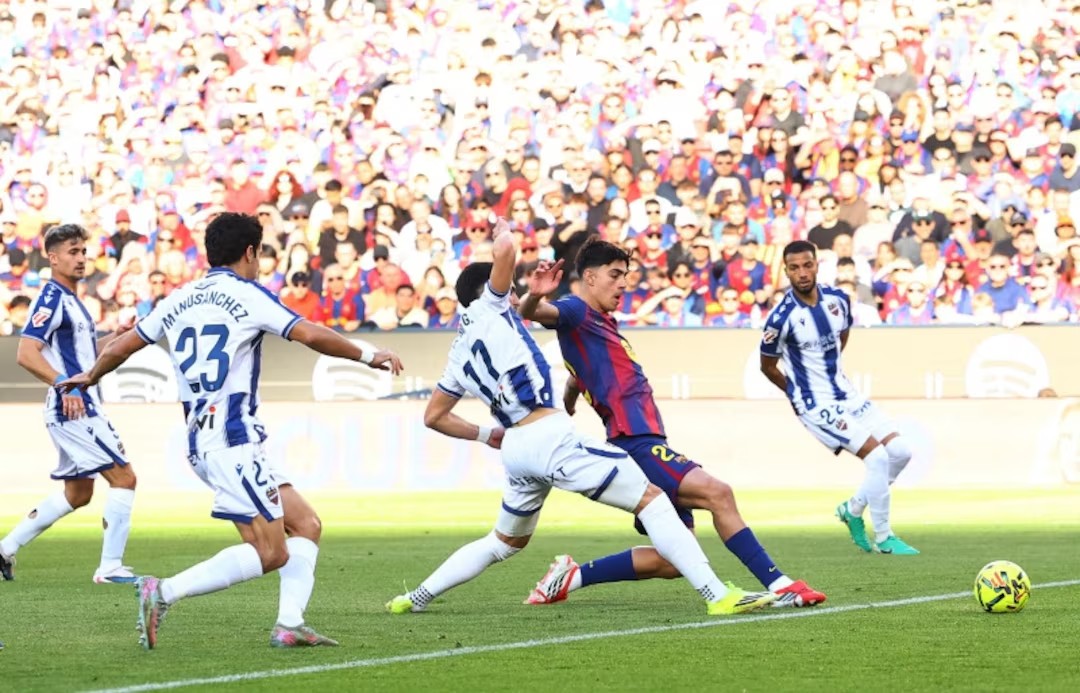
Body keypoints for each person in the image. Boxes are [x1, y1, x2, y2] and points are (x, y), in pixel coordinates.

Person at [387, 219, 776, 616]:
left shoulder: (457, 353)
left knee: (503, 542)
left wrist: (489, 435)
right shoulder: (493, 305)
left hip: (517, 449)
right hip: (548, 435)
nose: (514, 295)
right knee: (653, 499)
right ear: (490, 289)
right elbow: (505, 250)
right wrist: (502, 228)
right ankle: (717, 595)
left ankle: (414, 597)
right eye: (510, 288)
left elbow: (434, 417)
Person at [59, 213, 404, 649]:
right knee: (271, 552)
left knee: (306, 523)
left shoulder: (178, 298)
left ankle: (290, 624)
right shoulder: (248, 294)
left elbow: (124, 343)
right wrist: (368, 355)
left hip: (212, 439)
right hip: (229, 437)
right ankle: (163, 592)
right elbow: (309, 333)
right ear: (250, 252)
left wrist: (91, 375)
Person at [517, 238, 825, 607]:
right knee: (718, 493)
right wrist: (534, 295)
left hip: (644, 441)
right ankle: (781, 585)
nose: (623, 283)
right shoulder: (576, 310)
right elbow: (536, 312)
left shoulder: (599, 325)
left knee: (675, 558)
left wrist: (569, 400)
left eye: (625, 275)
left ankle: (572, 576)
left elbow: (577, 374)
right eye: (615, 275)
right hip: (635, 443)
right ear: (590, 277)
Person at [759, 241, 918, 556]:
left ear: (817, 265)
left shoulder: (839, 300)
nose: (802, 273)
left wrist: (829, 371)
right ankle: (884, 538)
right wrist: (797, 393)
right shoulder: (780, 318)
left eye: (807, 265)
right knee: (877, 457)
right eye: (794, 268)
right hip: (815, 404)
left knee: (901, 452)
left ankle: (853, 508)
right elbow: (767, 366)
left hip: (846, 392)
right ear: (786, 271)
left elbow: (842, 336)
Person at [0, 224, 138, 585]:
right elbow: (26, 353)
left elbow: (84, 355)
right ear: (53, 257)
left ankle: (5, 548)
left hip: (75, 403)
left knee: (78, 494)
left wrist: (116, 337)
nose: (80, 259)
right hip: (73, 406)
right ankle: (110, 568)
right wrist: (65, 386)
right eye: (72, 252)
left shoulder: (73, 300)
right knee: (124, 478)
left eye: (83, 252)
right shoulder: (51, 299)